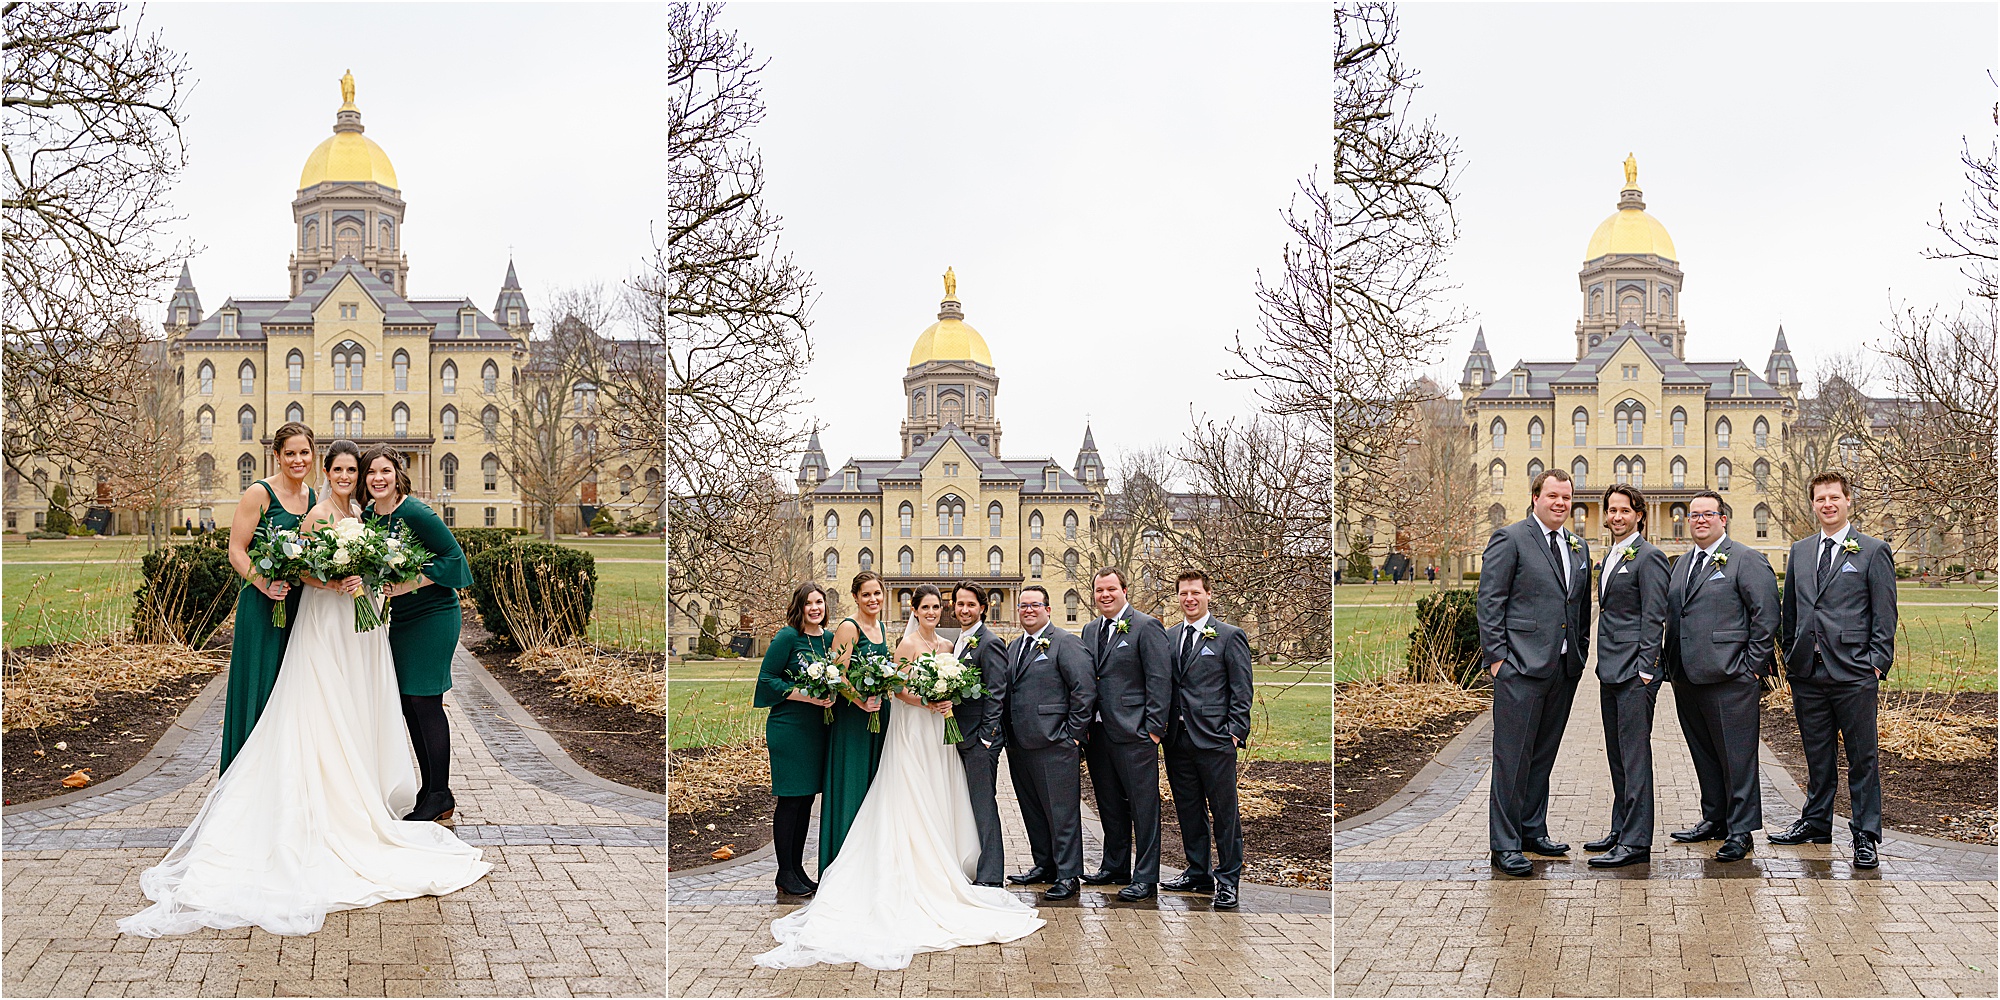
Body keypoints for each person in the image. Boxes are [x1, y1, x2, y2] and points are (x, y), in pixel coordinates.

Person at [119, 441, 489, 937]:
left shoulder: (364, 513)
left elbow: (403, 564)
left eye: (351, 469)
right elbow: (300, 570)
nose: (345, 476)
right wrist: (329, 583)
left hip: (365, 622)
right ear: (325, 470)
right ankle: (329, 797)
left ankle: (383, 789)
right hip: (327, 619)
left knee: (363, 702)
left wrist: (373, 580)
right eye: (337, 468)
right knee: (323, 700)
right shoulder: (316, 515)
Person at [754, 586, 1044, 970]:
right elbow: (898, 687)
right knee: (906, 791)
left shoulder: (946, 646)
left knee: (941, 792)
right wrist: (924, 699)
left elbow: (963, 687)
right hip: (911, 729)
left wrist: (946, 698)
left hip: (938, 731)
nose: (932, 612)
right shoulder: (904, 643)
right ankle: (801, 870)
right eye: (925, 607)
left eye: (937, 607)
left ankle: (949, 860)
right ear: (913, 609)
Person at [1772, 472, 1897, 870]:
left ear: (1847, 502)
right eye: (1820, 499)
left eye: (1834, 498)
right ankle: (1815, 822)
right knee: (1817, 755)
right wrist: (1792, 659)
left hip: (1854, 672)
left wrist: (1876, 664)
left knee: (1863, 758)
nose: (1827, 504)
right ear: (1813, 504)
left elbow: (1885, 615)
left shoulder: (1872, 551)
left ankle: (1865, 835)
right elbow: (1790, 612)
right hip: (1808, 672)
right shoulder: (1801, 550)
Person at [1476, 469, 1592, 877]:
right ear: (1535, 497)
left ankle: (1532, 829)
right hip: (1520, 667)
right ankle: (1505, 845)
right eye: (1553, 496)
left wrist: (1579, 655)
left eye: (1566, 497)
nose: (1560, 503)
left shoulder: (1577, 546)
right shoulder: (1511, 539)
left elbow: (1577, 608)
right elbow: (1490, 600)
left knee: (1543, 754)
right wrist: (1497, 659)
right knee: (1512, 757)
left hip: (1562, 668)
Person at [1664, 491, 1779, 863]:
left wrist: (1751, 668)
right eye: (1693, 514)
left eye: (1707, 514)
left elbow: (1766, 617)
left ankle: (1741, 830)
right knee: (1705, 753)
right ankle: (1714, 818)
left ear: (1723, 518)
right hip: (1686, 676)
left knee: (1737, 756)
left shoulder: (1746, 559)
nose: (1699, 520)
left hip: (1731, 677)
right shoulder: (1682, 563)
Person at [359, 446, 472, 823]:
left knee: (426, 702)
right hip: (403, 621)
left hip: (434, 615)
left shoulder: (415, 512)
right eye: (371, 472)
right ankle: (431, 790)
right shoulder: (371, 517)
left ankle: (440, 793)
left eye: (385, 471)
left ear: (397, 474)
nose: (378, 478)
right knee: (409, 705)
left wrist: (411, 583)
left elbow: (455, 558)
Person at [218, 421, 318, 775]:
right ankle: (245, 774)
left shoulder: (315, 499)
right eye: (289, 453)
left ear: (312, 454)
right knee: (259, 685)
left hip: (300, 606)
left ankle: (283, 774)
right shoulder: (259, 494)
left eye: (303, 452)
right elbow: (236, 550)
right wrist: (263, 583)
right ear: (276, 455)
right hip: (263, 605)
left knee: (291, 689)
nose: (297, 459)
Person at [1582, 484, 1670, 869]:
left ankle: (1636, 843)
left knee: (1634, 756)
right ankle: (1621, 827)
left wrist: (1647, 668)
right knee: (1617, 755)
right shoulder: (1612, 554)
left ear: (1640, 515)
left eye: (1624, 510)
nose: (1616, 516)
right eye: (1611, 510)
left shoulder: (1649, 557)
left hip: (1636, 673)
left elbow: (1654, 615)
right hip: (1610, 670)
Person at [1160, 571, 1252, 909]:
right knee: (1188, 809)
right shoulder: (1168, 637)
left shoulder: (1229, 636)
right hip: (1177, 739)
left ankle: (1228, 880)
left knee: (1225, 813)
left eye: (1195, 592)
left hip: (1215, 739)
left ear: (1208, 595)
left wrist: (1234, 733)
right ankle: (1198, 872)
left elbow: (1241, 690)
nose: (1189, 599)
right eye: (1184, 593)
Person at [1079, 568, 1171, 901]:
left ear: (1124, 590)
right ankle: (1115, 865)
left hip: (1135, 733)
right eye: (1099, 590)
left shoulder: (1146, 627)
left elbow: (1160, 680)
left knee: (1144, 807)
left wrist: (1154, 730)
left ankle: (1146, 876)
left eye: (1111, 589)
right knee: (1109, 803)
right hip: (1099, 733)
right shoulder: (1089, 630)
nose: (1105, 595)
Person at [1003, 584, 1095, 901]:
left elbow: (1084, 692)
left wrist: (1071, 735)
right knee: (1033, 811)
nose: (1028, 610)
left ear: (1048, 609)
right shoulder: (1014, 647)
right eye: (1023, 606)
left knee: (1062, 813)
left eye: (1034, 605)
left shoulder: (1066, 643)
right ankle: (1045, 865)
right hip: (1019, 744)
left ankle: (1068, 875)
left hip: (1055, 743)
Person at [756, 582, 836, 895]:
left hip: (816, 731)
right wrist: (804, 694)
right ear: (799, 607)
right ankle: (784, 872)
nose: (815, 608)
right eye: (809, 603)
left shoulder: (829, 640)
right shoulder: (789, 637)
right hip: (789, 728)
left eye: (820, 602)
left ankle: (797, 868)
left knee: (806, 800)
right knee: (790, 799)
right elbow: (767, 678)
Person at [820, 571, 890, 873]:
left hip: (878, 715)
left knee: (875, 785)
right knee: (853, 783)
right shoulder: (849, 628)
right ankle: (843, 864)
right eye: (866, 595)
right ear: (855, 597)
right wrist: (861, 700)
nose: (873, 600)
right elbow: (836, 675)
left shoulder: (882, 627)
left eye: (877, 593)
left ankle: (870, 859)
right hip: (853, 718)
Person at [949, 581, 1011, 887]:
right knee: (966, 803)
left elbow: (997, 692)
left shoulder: (989, 642)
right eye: (960, 604)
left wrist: (987, 736)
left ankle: (990, 875)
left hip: (979, 741)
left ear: (982, 608)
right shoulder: (960, 641)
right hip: (960, 736)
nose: (964, 609)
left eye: (971, 604)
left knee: (983, 803)